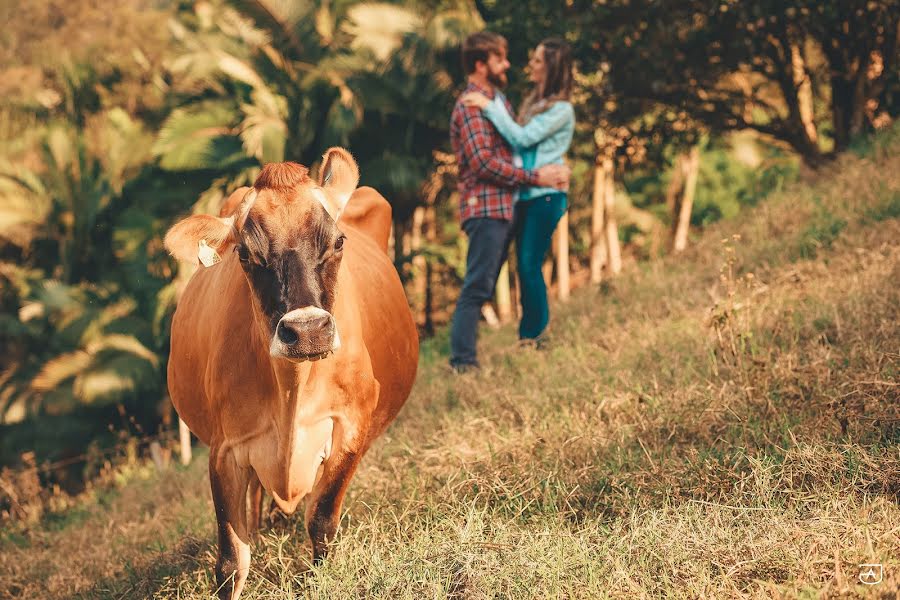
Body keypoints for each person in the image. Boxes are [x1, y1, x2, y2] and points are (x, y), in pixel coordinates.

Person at [449, 32, 570, 372]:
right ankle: (463, 362)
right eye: (499, 59)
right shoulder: (472, 104)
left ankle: (530, 340)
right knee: (477, 286)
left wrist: (557, 163)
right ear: (480, 64)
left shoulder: (498, 101)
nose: (508, 64)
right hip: (487, 208)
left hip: (505, 206)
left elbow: (521, 146)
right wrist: (537, 178)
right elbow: (482, 163)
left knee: (511, 274)